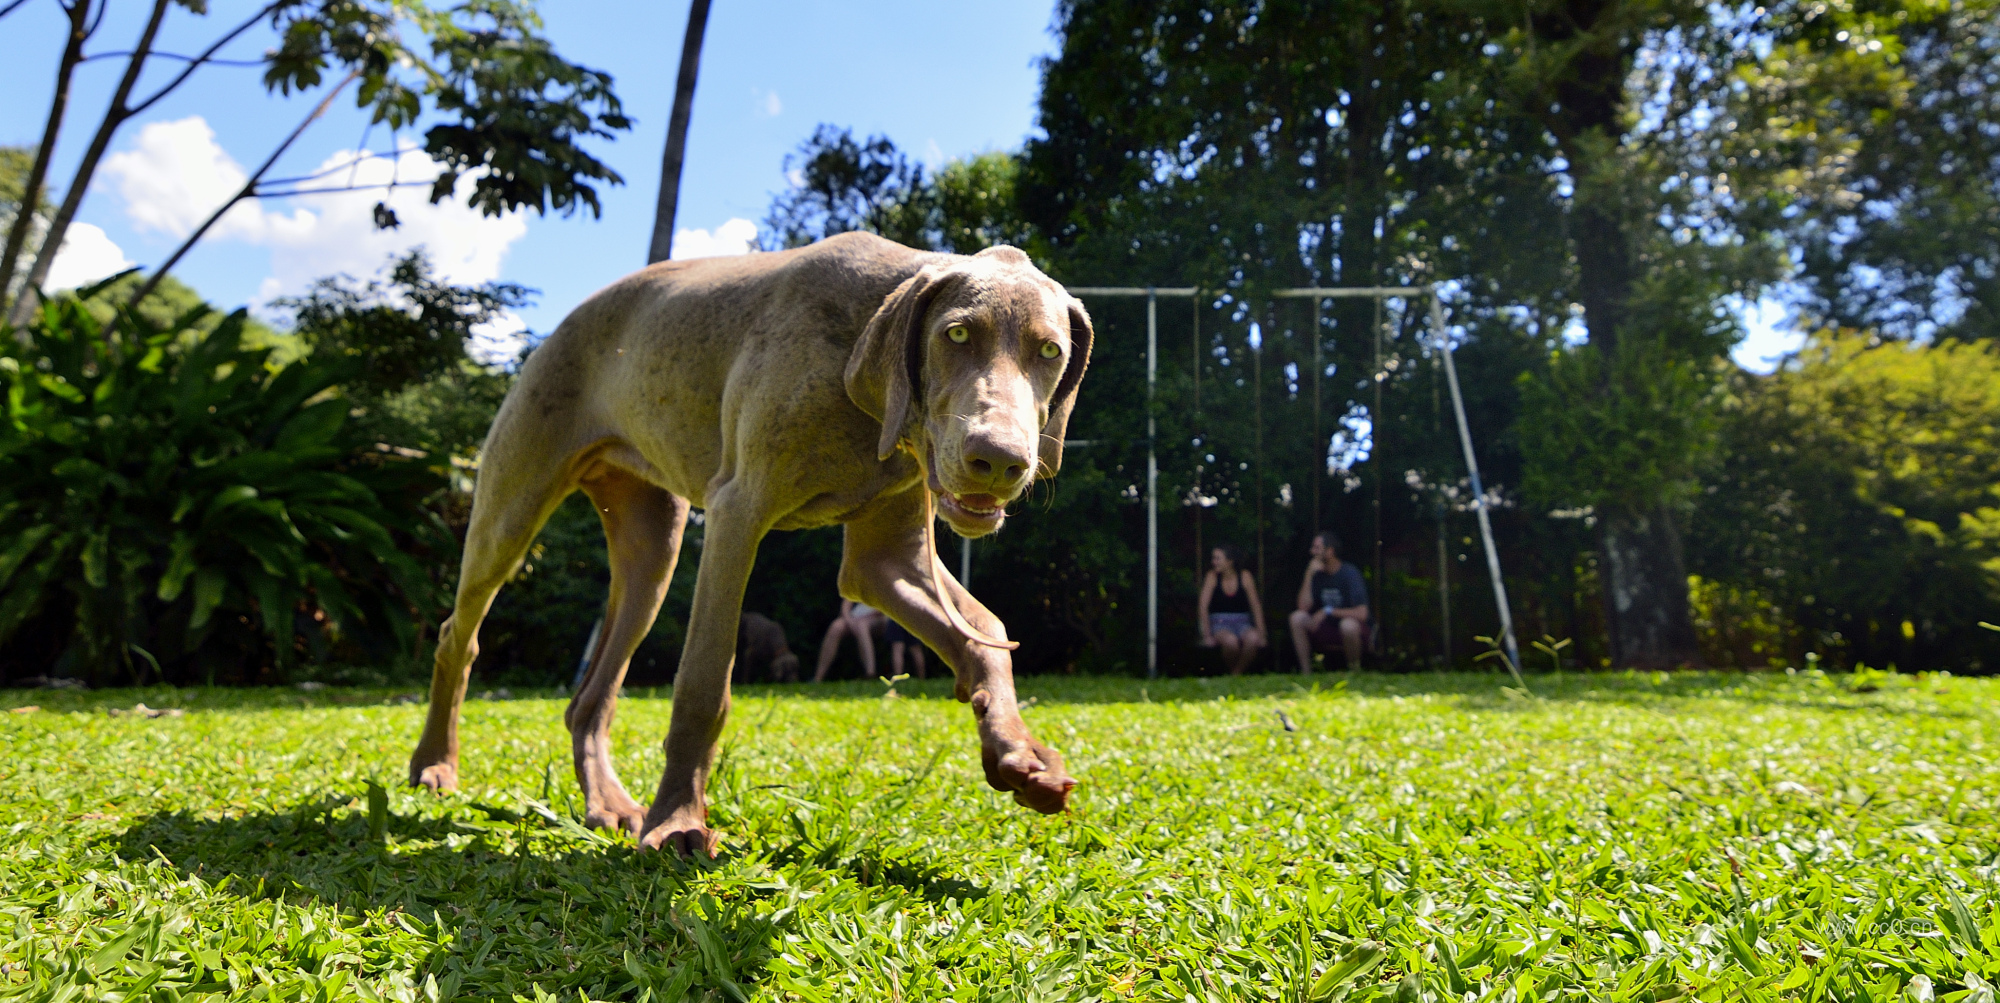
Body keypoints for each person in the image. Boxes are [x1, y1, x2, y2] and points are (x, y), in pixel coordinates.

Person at [1289, 531, 1369, 672]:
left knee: (1347, 625)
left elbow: (1362, 613)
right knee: (1296, 618)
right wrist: (1309, 574)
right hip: (1324, 626)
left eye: (1317, 548)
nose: (1312, 552)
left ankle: (1354, 670)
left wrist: (1328, 611)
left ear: (1330, 551)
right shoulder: (1316, 573)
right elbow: (1302, 607)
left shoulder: (1349, 573)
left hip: (1350, 627)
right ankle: (1306, 672)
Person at [1197, 543, 1267, 675]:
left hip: (1243, 622)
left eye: (1218, 558)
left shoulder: (1245, 576)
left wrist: (1262, 634)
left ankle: (1236, 673)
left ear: (1230, 561)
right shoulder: (1212, 577)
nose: (1214, 562)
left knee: (1253, 638)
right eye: (1213, 558)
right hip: (1219, 623)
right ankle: (1235, 672)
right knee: (1231, 642)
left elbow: (1256, 606)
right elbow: (1203, 607)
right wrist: (1206, 635)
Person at [812, 599, 885, 681]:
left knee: (862, 626)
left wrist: (864, 617)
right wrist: (850, 621)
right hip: (857, 617)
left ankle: (870, 673)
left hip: (881, 617)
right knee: (836, 626)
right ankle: (818, 677)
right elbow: (846, 604)